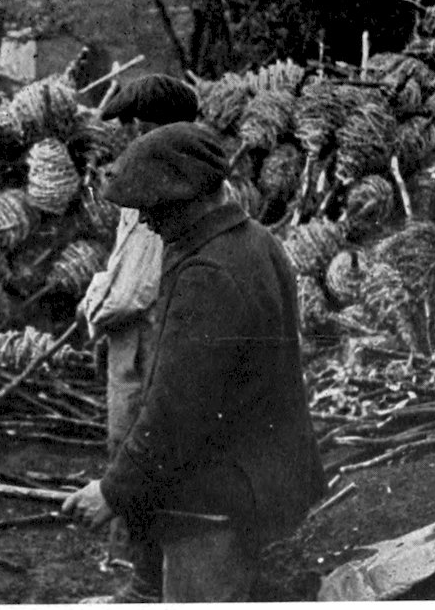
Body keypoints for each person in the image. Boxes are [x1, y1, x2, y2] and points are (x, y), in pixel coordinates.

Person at [63, 122, 327, 603]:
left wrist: (113, 491)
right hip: (262, 477)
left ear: (188, 200)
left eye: (153, 209)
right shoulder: (256, 240)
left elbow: (176, 408)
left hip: (216, 499)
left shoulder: (206, 273)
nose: (146, 222)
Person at [76, 74, 199, 570]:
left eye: (137, 127)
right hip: (133, 329)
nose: (129, 137)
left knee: (141, 443)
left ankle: (148, 573)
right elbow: (123, 260)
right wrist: (100, 297)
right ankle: (139, 558)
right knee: (130, 441)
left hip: (154, 331)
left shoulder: (174, 186)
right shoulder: (143, 177)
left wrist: (98, 309)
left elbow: (140, 285)